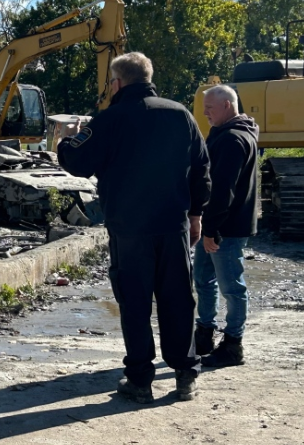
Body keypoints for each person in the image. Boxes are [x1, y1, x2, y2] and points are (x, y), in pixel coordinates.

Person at [57, 52, 211, 403]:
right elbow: (202, 168)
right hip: (173, 224)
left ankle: (141, 379)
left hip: (130, 229)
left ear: (117, 82)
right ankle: (185, 374)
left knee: (135, 303)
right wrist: (196, 215)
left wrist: (65, 141)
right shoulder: (181, 115)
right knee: (178, 300)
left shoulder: (109, 119)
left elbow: (78, 161)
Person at [194, 85, 258, 367]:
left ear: (228, 106)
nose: (205, 111)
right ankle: (204, 334)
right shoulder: (225, 133)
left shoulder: (233, 139)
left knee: (231, 286)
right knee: (204, 280)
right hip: (220, 225)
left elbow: (223, 190)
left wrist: (210, 230)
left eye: (210, 106)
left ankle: (233, 345)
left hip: (226, 228)